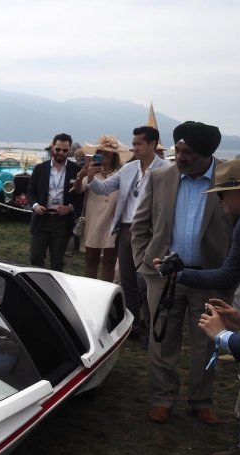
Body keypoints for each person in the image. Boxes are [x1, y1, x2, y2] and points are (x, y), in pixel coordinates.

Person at [131, 121, 234, 425]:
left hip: (211, 278)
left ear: (206, 153)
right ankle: (163, 398)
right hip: (164, 277)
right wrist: (144, 264)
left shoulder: (227, 178)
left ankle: (201, 401)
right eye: (178, 150)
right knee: (162, 339)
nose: (181, 157)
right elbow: (140, 225)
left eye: (188, 152)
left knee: (207, 342)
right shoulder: (161, 177)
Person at [180, 157, 240, 455]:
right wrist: (179, 273)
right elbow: (227, 273)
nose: (218, 198)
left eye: (222, 191)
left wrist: (223, 336)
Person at [79, 126, 167, 337]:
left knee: (149, 282)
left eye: (139, 144)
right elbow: (104, 188)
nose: (134, 147)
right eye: (133, 143)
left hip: (152, 231)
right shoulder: (128, 169)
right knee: (127, 280)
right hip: (126, 229)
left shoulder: (166, 170)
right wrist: (91, 178)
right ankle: (134, 326)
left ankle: (150, 327)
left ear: (152, 144)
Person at [27, 133, 83, 271]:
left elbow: (81, 195)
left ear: (69, 150)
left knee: (57, 261)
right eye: (58, 149)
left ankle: (53, 290)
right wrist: (35, 206)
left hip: (62, 221)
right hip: (42, 218)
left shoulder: (76, 170)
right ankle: (36, 287)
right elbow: (30, 191)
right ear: (53, 148)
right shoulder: (40, 168)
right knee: (35, 257)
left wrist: (69, 207)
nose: (61, 153)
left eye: (65, 150)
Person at [72, 135, 123, 281]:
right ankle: (90, 288)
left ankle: (107, 291)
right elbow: (78, 190)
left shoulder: (120, 173)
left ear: (114, 154)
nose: (104, 154)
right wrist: (80, 175)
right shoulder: (91, 171)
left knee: (109, 261)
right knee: (91, 259)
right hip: (93, 217)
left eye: (107, 152)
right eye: (100, 152)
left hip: (112, 219)